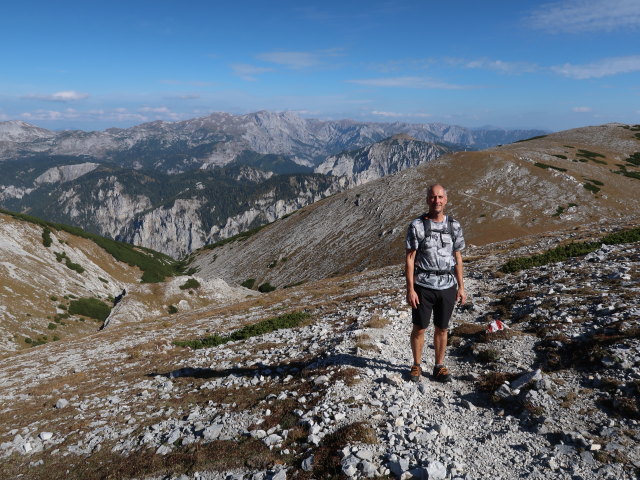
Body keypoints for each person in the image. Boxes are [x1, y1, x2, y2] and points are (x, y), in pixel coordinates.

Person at [405, 184, 466, 383]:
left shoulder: (454, 226)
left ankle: (439, 366)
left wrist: (461, 286)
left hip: (447, 286)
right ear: (427, 199)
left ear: (446, 200)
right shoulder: (417, 226)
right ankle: (416, 364)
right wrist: (411, 289)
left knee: (442, 328)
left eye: (440, 197)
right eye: (433, 197)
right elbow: (410, 258)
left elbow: (458, 257)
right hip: (423, 285)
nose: (437, 201)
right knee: (420, 327)